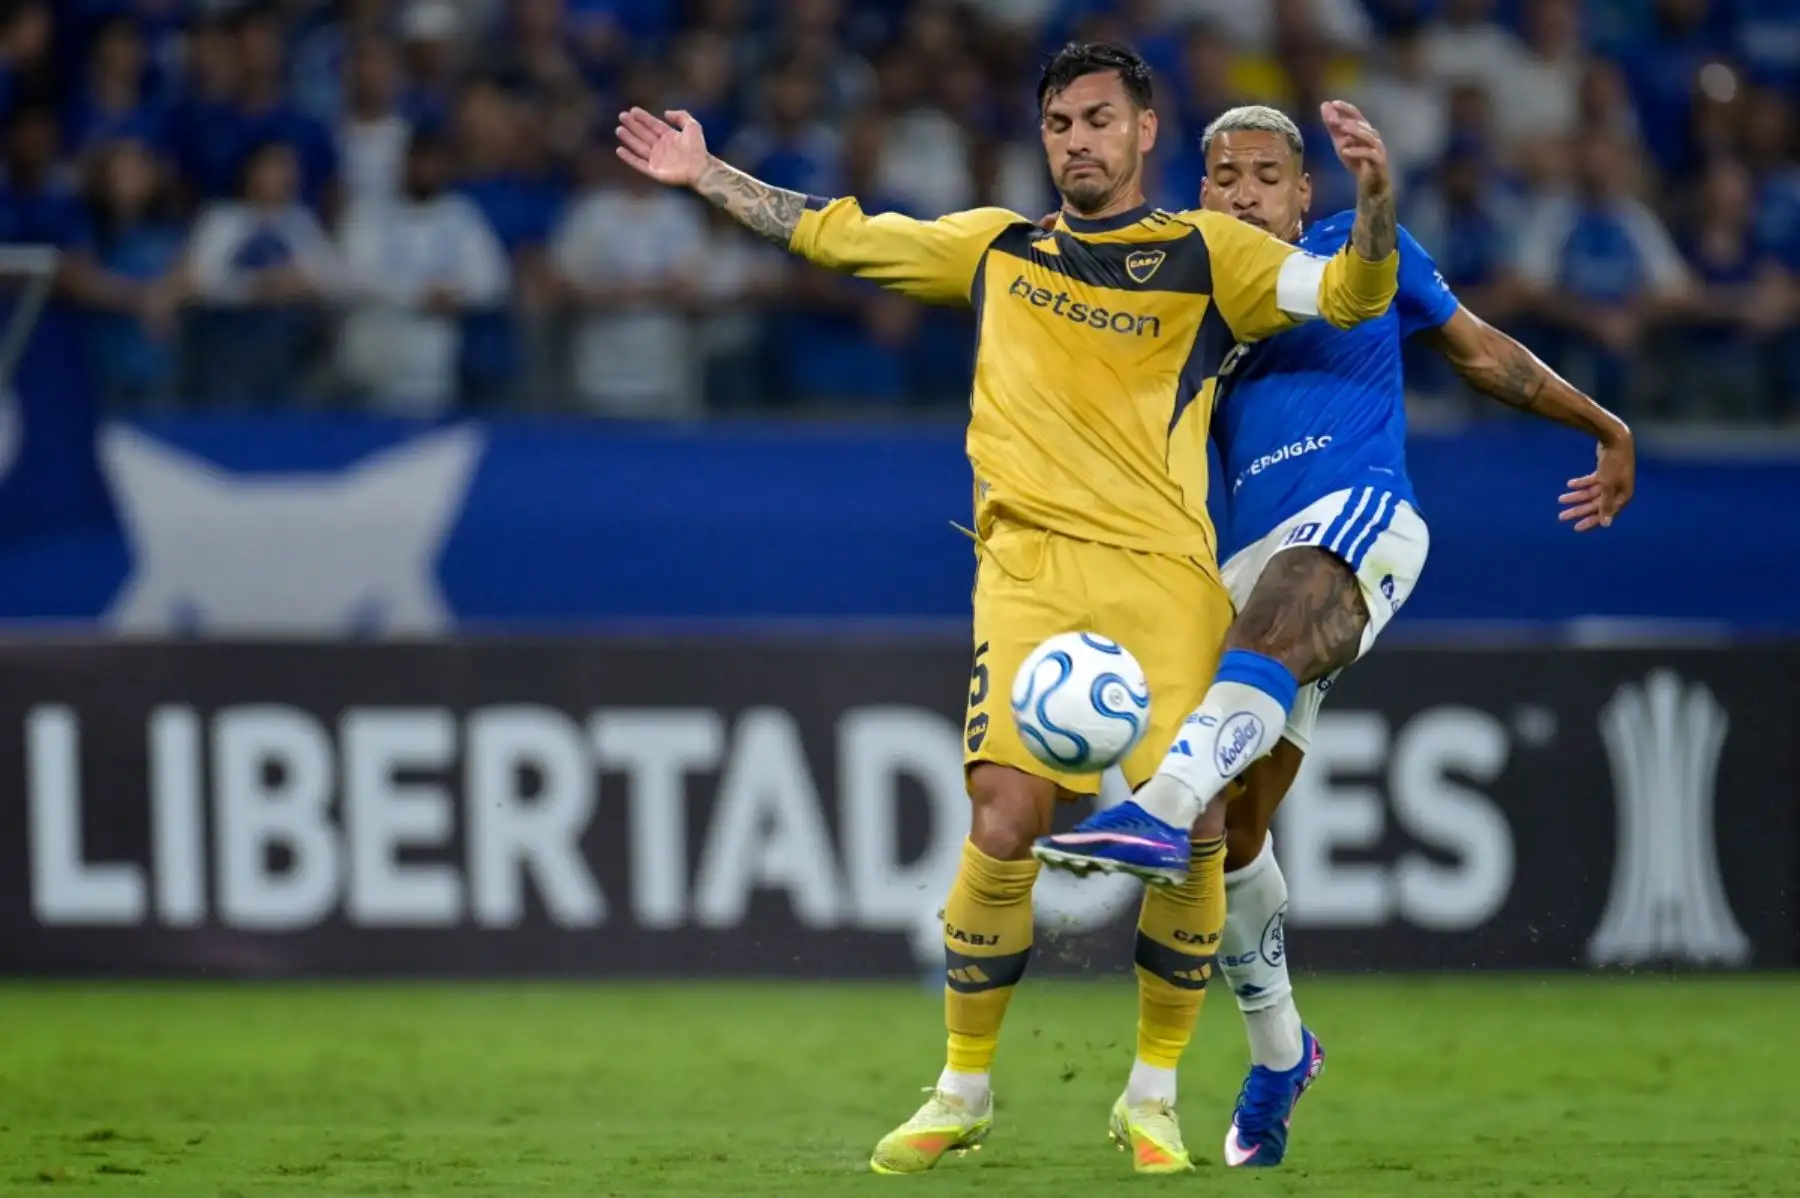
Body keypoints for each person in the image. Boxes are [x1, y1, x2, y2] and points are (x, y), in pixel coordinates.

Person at [616, 43, 1403, 1175]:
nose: (1078, 140)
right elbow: (836, 233)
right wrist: (707, 175)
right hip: (1027, 572)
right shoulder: (995, 249)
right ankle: (962, 1090)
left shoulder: (1210, 253)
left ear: (1144, 131)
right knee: (1001, 814)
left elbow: (1348, 295)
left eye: (1099, 119)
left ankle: (1152, 1097)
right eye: (1059, 124)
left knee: (1197, 829)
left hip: (1164, 573)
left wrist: (1373, 206)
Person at [1034, 105, 1636, 1168]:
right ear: (1202, 192)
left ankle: (1154, 809)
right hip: (1242, 561)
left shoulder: (1359, 252)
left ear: (1303, 191)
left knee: (1251, 678)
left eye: (1267, 175)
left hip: (1357, 517)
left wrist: (1605, 426)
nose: (1246, 192)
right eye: (1226, 177)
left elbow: (1481, 354)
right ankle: (1281, 1054)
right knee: (1237, 833)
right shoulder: (1193, 283)